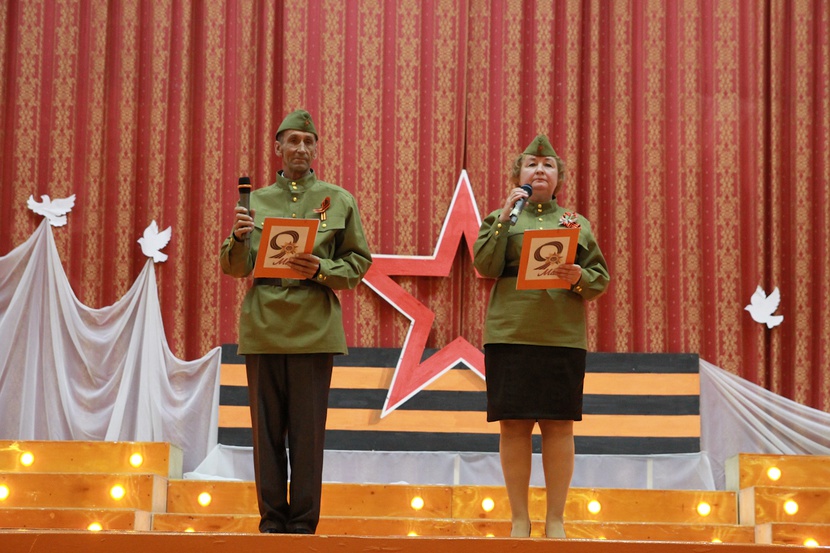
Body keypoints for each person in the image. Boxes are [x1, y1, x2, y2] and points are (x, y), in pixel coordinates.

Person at [219, 109, 372, 534]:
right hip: (264, 325)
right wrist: (238, 239)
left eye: (308, 141)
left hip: (314, 328)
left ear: (316, 148)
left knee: (308, 435)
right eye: (293, 141)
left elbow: (359, 264)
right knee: (265, 434)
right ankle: (271, 522)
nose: (301, 148)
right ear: (278, 148)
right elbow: (234, 268)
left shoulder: (338, 200)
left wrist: (321, 269)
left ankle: (303, 524)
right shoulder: (254, 202)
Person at [473, 135, 610, 538]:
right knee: (513, 426)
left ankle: (555, 519)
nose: (539, 170)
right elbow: (485, 266)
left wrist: (579, 276)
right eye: (531, 164)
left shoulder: (576, 223)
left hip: (561, 335)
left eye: (548, 165)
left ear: (558, 178)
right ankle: (519, 519)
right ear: (518, 175)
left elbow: (599, 279)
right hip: (510, 332)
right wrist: (504, 217)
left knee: (559, 425)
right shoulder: (499, 218)